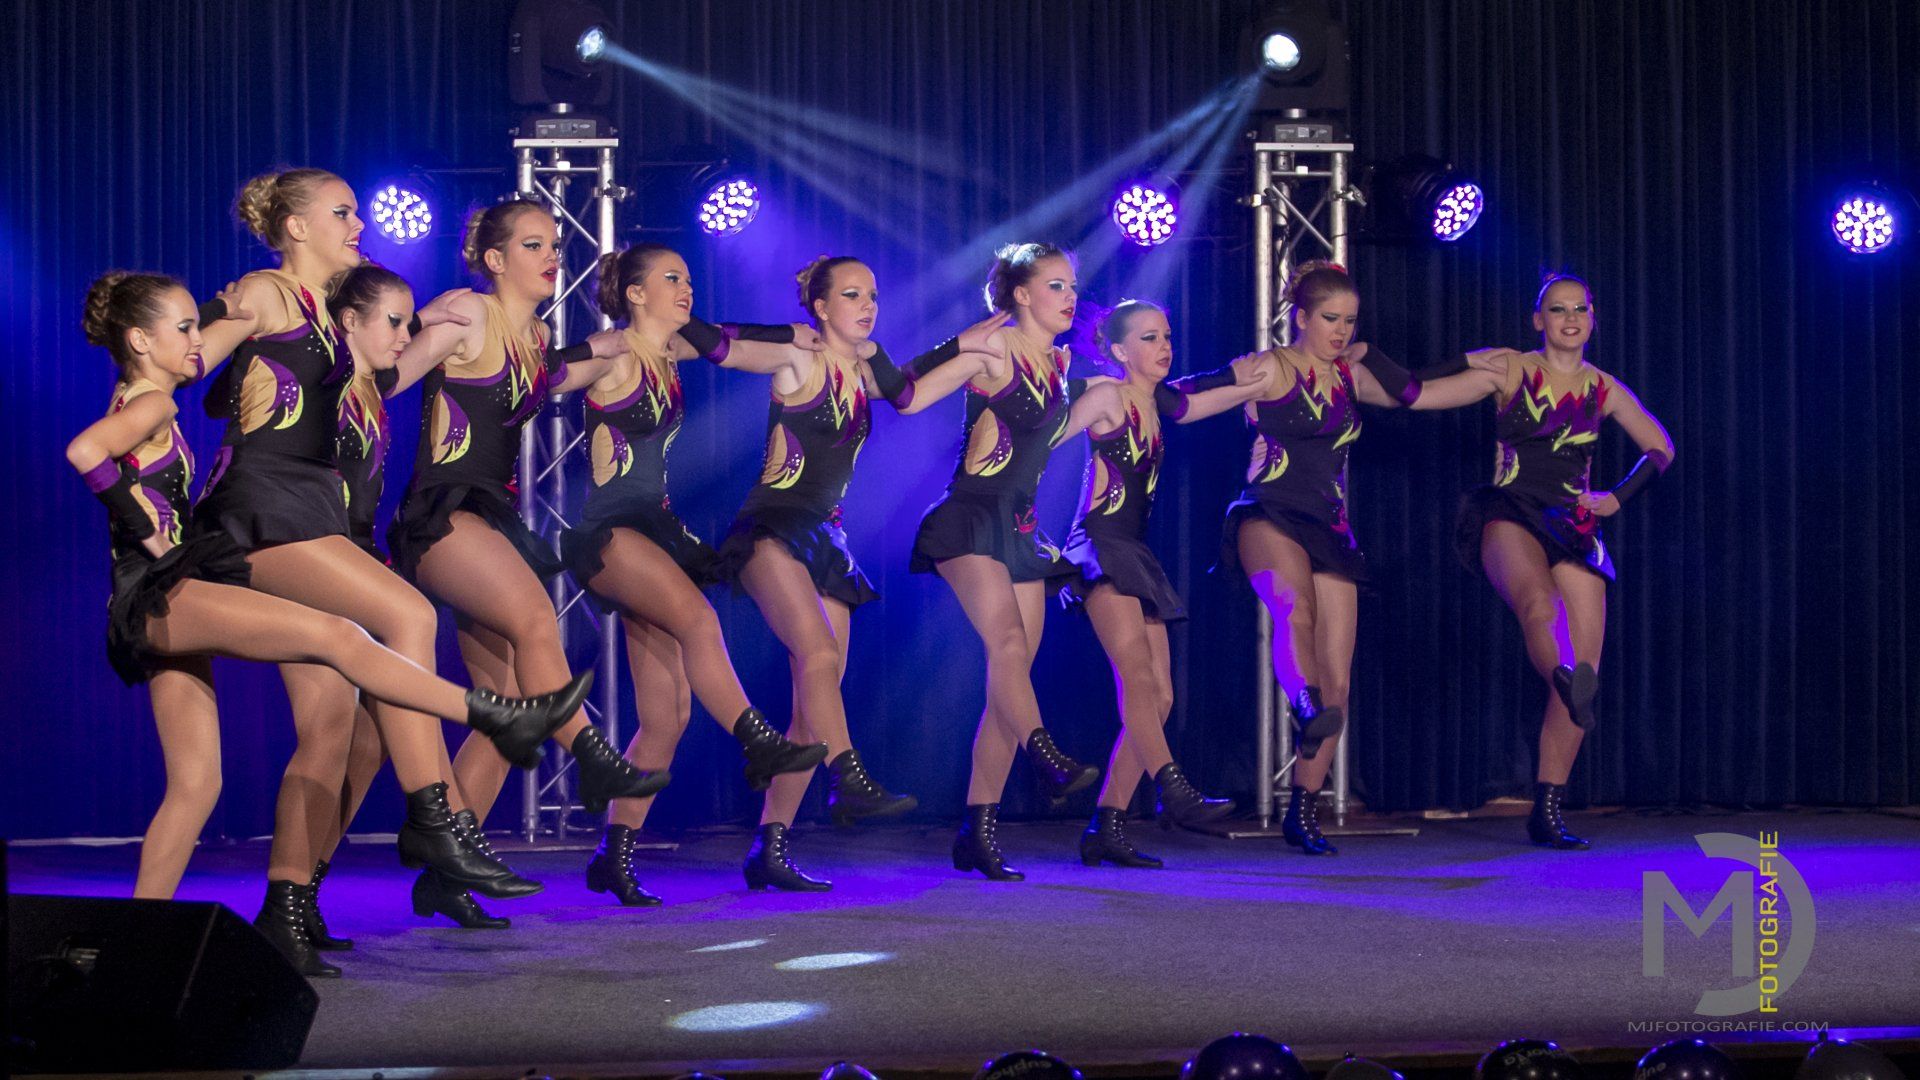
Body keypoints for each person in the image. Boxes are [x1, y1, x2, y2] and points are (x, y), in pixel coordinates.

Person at [70, 270, 590, 975]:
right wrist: (149, 536)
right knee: (341, 637)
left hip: (159, 592)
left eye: (197, 325)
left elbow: (221, 395)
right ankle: (490, 717)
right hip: (163, 589)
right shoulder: (155, 399)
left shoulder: (145, 395)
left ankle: (132, 949)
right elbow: (87, 453)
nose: (197, 339)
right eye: (184, 328)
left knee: (196, 785)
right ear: (140, 339)